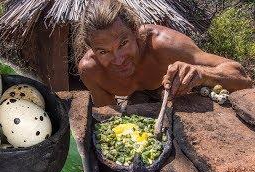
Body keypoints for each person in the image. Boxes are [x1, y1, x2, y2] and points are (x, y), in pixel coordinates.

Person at [74, 0, 252, 107]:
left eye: (123, 43)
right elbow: (109, 121)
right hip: (137, 104)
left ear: (135, 33)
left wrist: (202, 73)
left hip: (179, 96)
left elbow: (242, 79)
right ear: (92, 50)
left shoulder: (165, 46)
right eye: (103, 51)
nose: (119, 60)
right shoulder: (91, 71)